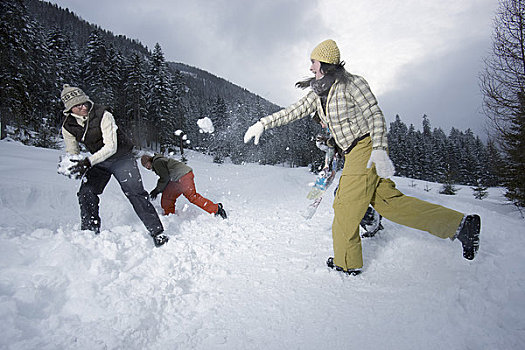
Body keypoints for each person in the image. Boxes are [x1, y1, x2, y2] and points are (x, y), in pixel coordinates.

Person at [244, 39, 481, 275]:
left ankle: (346, 263)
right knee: (390, 203)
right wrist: (263, 124)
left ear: (325, 63)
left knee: (344, 205)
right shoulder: (318, 94)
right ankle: (461, 226)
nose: (310, 68)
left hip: (366, 148)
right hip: (354, 152)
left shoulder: (352, 84)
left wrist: (378, 148)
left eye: (313, 62)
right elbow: (293, 111)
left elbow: (375, 115)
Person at [60, 84, 169, 247]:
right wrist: (72, 163)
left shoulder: (103, 114)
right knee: (86, 192)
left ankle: (157, 232)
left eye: (83, 102)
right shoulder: (68, 126)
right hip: (100, 161)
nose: (82, 107)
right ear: (69, 110)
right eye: (77, 106)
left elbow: (111, 147)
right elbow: (72, 151)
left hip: (122, 158)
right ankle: (90, 234)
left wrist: (87, 162)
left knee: (135, 193)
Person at [140, 154, 227, 219]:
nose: (147, 167)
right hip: (177, 179)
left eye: (146, 164)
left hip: (183, 176)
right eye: (145, 167)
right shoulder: (158, 161)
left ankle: (216, 209)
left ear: (149, 160)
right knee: (167, 196)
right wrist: (160, 189)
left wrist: (157, 189)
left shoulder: (157, 162)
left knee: (192, 196)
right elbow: (167, 177)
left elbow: (165, 177)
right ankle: (169, 216)